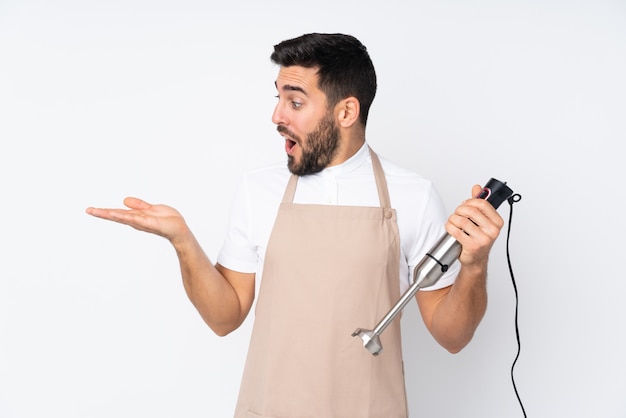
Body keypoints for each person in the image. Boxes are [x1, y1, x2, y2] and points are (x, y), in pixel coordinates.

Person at [86, 33, 504, 417]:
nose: (276, 116)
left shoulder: (413, 194)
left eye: (295, 102)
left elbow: (452, 336)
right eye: (278, 98)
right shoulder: (258, 190)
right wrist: (182, 241)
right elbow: (224, 317)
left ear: (346, 111)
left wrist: (475, 265)